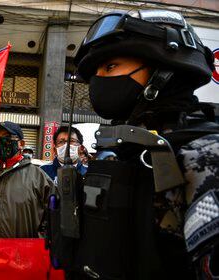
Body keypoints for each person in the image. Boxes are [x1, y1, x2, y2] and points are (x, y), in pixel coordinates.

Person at [50, 9, 217, 279]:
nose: (98, 81)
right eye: (95, 73)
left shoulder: (205, 154)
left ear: (164, 68)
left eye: (111, 67)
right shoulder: (122, 150)